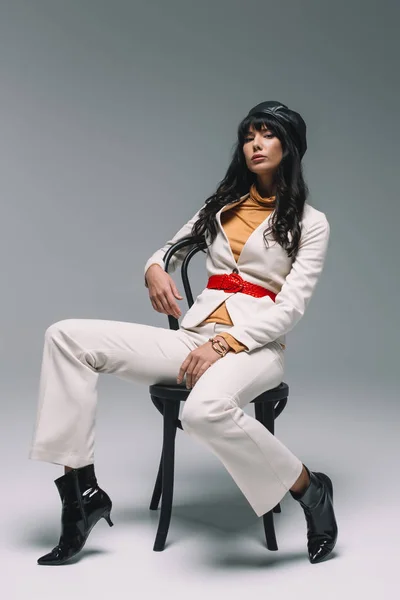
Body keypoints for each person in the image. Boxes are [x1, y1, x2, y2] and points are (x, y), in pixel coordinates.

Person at [29, 100, 338, 566]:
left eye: (268, 134)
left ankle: (309, 489)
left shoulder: (312, 224)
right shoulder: (221, 207)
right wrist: (153, 267)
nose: (255, 143)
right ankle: (82, 495)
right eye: (249, 134)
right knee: (66, 336)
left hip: (254, 347)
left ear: (290, 145)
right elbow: (168, 250)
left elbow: (291, 307)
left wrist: (225, 343)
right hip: (194, 336)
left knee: (203, 413)